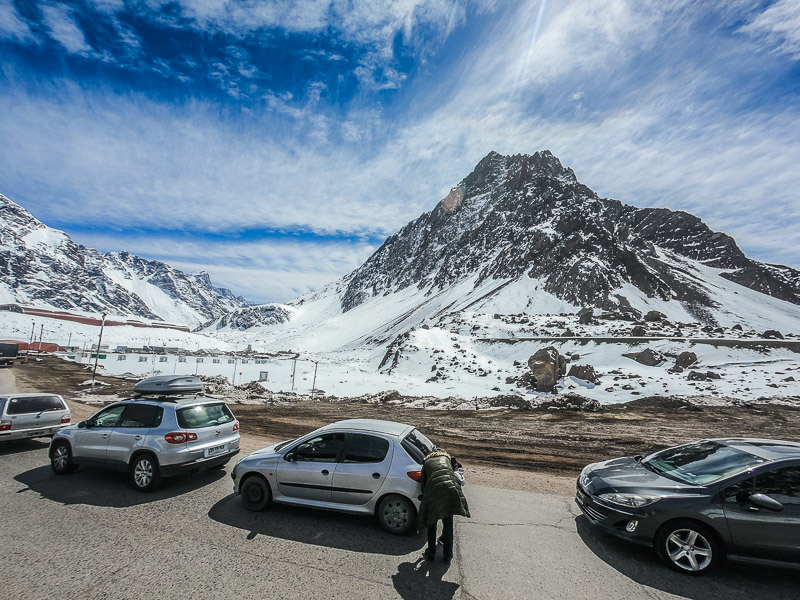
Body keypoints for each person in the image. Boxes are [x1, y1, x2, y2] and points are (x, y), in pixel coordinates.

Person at [417, 448, 470, 561]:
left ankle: (431, 553)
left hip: (435, 491)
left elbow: (423, 486)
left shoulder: (427, 463)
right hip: (450, 489)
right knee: (448, 524)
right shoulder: (447, 458)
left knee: (432, 523)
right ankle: (448, 555)